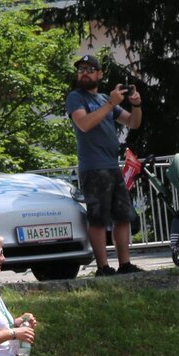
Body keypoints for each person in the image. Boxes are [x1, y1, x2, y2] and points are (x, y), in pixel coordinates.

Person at [66, 54, 143, 276]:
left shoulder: (103, 99)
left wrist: (136, 104)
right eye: (81, 69)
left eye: (90, 69)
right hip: (93, 167)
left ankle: (125, 264)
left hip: (112, 165)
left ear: (99, 74)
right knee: (98, 219)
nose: (84, 72)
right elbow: (84, 124)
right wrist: (111, 103)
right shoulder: (76, 98)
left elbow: (133, 122)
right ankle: (103, 267)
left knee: (123, 216)